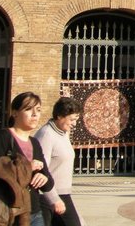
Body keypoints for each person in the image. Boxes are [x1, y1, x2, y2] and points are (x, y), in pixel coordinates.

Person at [0, 92, 54, 226]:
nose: (35, 114)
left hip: (33, 212)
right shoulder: (3, 137)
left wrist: (44, 177)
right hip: (6, 212)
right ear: (15, 113)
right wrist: (27, 166)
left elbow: (48, 184)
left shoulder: (35, 143)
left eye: (38, 110)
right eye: (28, 109)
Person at [35, 96, 84, 226]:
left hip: (63, 193)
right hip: (48, 195)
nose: (74, 124)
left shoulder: (63, 133)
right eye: (72, 119)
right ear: (59, 116)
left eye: (76, 119)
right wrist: (54, 198)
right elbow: (41, 170)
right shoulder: (46, 135)